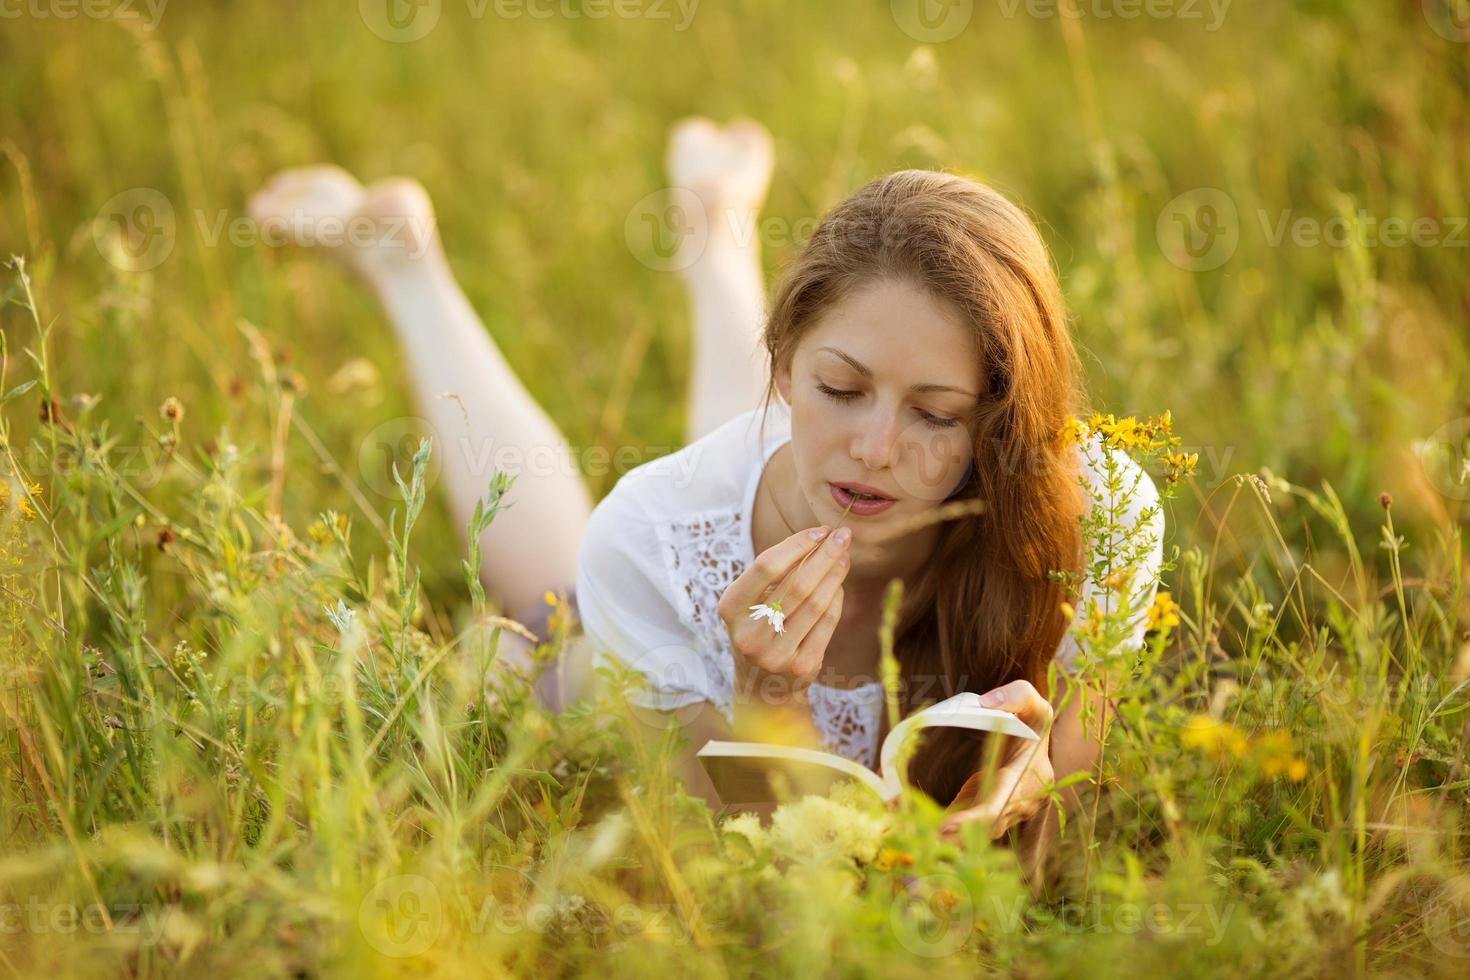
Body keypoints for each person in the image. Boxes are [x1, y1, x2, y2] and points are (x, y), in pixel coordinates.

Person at [247, 117, 1165, 867]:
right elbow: (759, 867)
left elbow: (1056, 854)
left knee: (757, 471)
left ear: (1002, 422)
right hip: (630, 642)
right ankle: (408, 266)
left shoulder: (1102, 521)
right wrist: (765, 695)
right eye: (838, 390)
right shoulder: (650, 539)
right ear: (785, 368)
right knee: (551, 607)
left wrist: (1035, 779)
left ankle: (715, 221)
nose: (875, 449)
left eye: (937, 414)